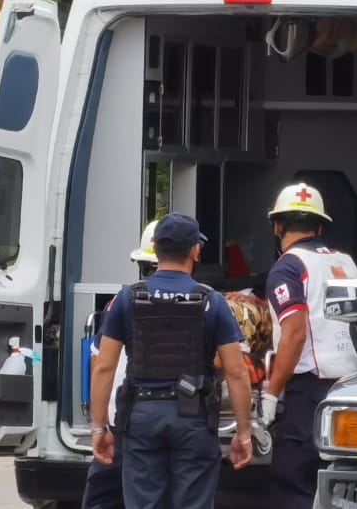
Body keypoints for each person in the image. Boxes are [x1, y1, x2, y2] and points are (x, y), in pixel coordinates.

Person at [90, 213, 254, 509]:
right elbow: (237, 372)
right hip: (193, 417)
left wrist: (99, 428)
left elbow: (103, 366)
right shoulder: (211, 301)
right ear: (195, 250)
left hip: (141, 417)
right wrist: (243, 432)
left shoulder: (127, 299)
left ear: (155, 247)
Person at [258, 182, 357, 509]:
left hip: (310, 394)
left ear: (277, 226)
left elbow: (294, 335)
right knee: (343, 484)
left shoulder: (289, 267)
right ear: (320, 226)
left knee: (295, 481)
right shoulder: (345, 262)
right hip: (353, 388)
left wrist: (271, 394)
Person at [81, 221, 159, 509]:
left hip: (124, 422)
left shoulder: (122, 302)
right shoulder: (202, 300)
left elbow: (99, 363)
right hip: (178, 422)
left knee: (103, 496)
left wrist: (98, 426)